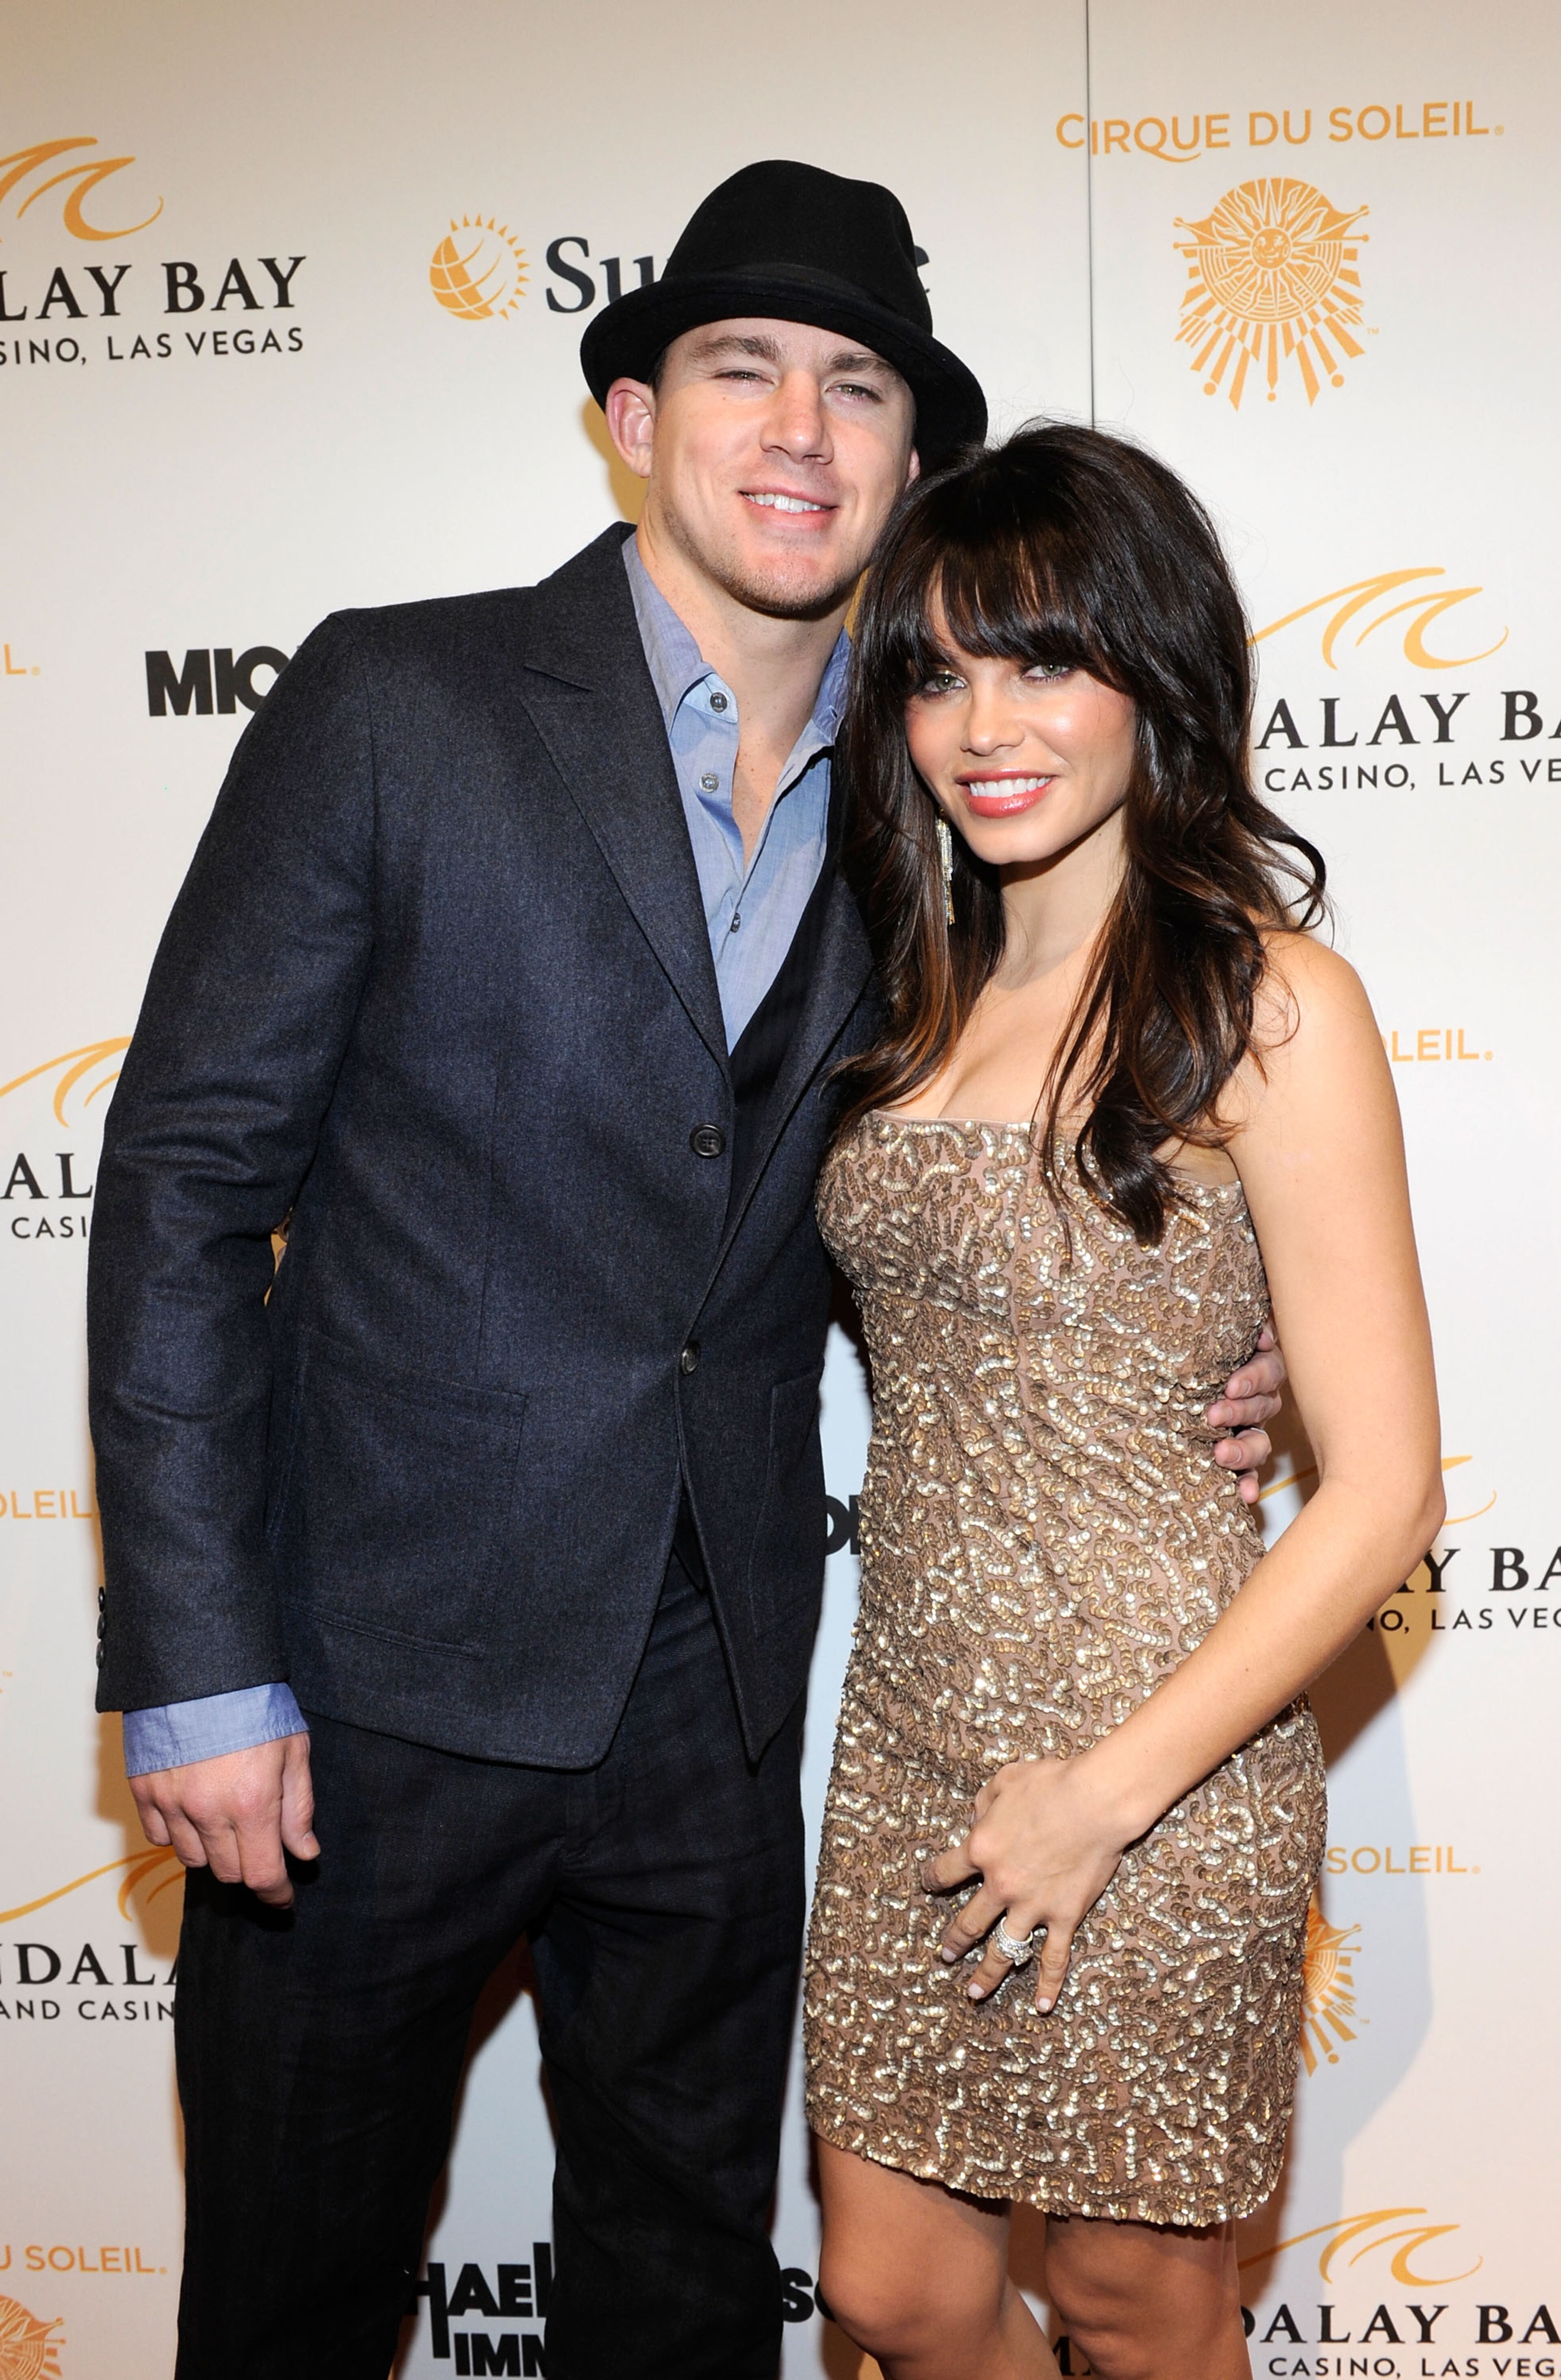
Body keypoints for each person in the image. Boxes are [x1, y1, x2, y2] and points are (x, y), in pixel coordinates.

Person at [87, 166, 1285, 2380]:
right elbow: (179, 1180)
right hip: (361, 1698)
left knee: (678, 2306)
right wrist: (197, 1666)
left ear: (912, 468)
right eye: (744, 372)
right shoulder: (398, 702)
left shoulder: (939, 809)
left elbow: (996, 1161)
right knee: (288, 2299)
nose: (803, 435)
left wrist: (1235, 1308)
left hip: (715, 1709)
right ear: (632, 416)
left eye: (859, 391)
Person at [802, 423, 1444, 2380]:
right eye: (933, 669)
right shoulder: (902, 993)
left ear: (1154, 676)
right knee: (891, 2295)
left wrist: (1106, 1792)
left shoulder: (1269, 1004)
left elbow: (1385, 1487)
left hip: (1163, 1759)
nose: (981, 722)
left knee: (1132, 2306)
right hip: (911, 1734)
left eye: (1042, 660)